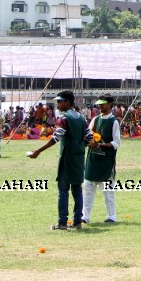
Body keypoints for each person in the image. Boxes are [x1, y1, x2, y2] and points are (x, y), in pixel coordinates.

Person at [28, 90, 89, 230]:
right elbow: (89, 138)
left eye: (60, 101)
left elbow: (56, 138)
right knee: (77, 190)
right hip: (79, 159)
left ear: (67, 102)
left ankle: (62, 222)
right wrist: (79, 146)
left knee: (63, 191)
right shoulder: (81, 118)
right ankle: (77, 222)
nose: (58, 104)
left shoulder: (63, 118)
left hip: (67, 159)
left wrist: (38, 151)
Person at [83, 94, 120, 224]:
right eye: (99, 104)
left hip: (106, 161)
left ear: (110, 104)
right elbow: (88, 134)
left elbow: (116, 143)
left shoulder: (113, 121)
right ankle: (85, 217)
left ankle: (111, 216)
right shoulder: (95, 119)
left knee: (108, 191)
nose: (100, 106)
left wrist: (100, 144)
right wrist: (89, 141)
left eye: (103, 104)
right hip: (93, 159)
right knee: (88, 189)